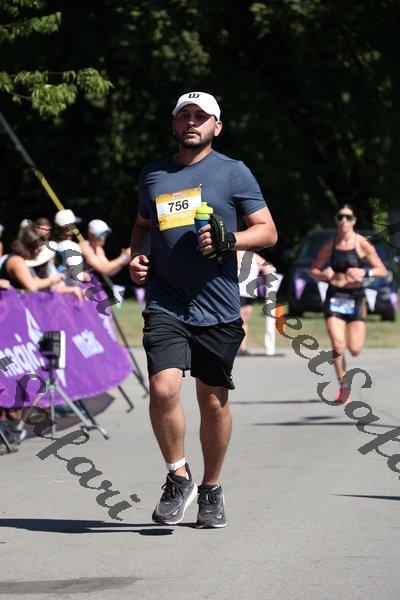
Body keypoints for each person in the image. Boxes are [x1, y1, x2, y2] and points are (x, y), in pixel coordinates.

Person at [129, 91, 277, 528]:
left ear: (217, 126)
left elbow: (267, 232)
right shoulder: (153, 174)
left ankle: (211, 487)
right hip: (166, 300)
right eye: (184, 115)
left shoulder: (233, 172)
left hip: (217, 304)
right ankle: (178, 476)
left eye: (201, 116)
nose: (192, 122)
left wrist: (230, 240)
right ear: (174, 124)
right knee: (162, 389)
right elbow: (142, 226)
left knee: (212, 402)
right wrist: (137, 256)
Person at [310, 204, 387, 402]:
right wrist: (323, 274)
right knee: (337, 344)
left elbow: (382, 270)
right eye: (340, 217)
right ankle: (343, 386)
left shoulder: (362, 244)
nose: (343, 221)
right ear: (336, 220)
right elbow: (314, 270)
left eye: (348, 217)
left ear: (354, 221)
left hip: (356, 297)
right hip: (335, 296)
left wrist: (365, 272)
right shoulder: (330, 245)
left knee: (354, 349)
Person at [0, 227, 85, 302]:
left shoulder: (23, 262)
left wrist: (70, 289)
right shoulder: (16, 261)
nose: (39, 252)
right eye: (38, 249)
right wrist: (53, 279)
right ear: (30, 248)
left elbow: (39, 283)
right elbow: (32, 286)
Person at [237, 250, 276, 355]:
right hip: (239, 291)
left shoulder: (253, 255)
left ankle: (243, 348)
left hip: (250, 293)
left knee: (245, 320)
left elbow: (269, 267)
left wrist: (266, 270)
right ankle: (237, 347)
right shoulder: (237, 253)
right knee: (239, 320)